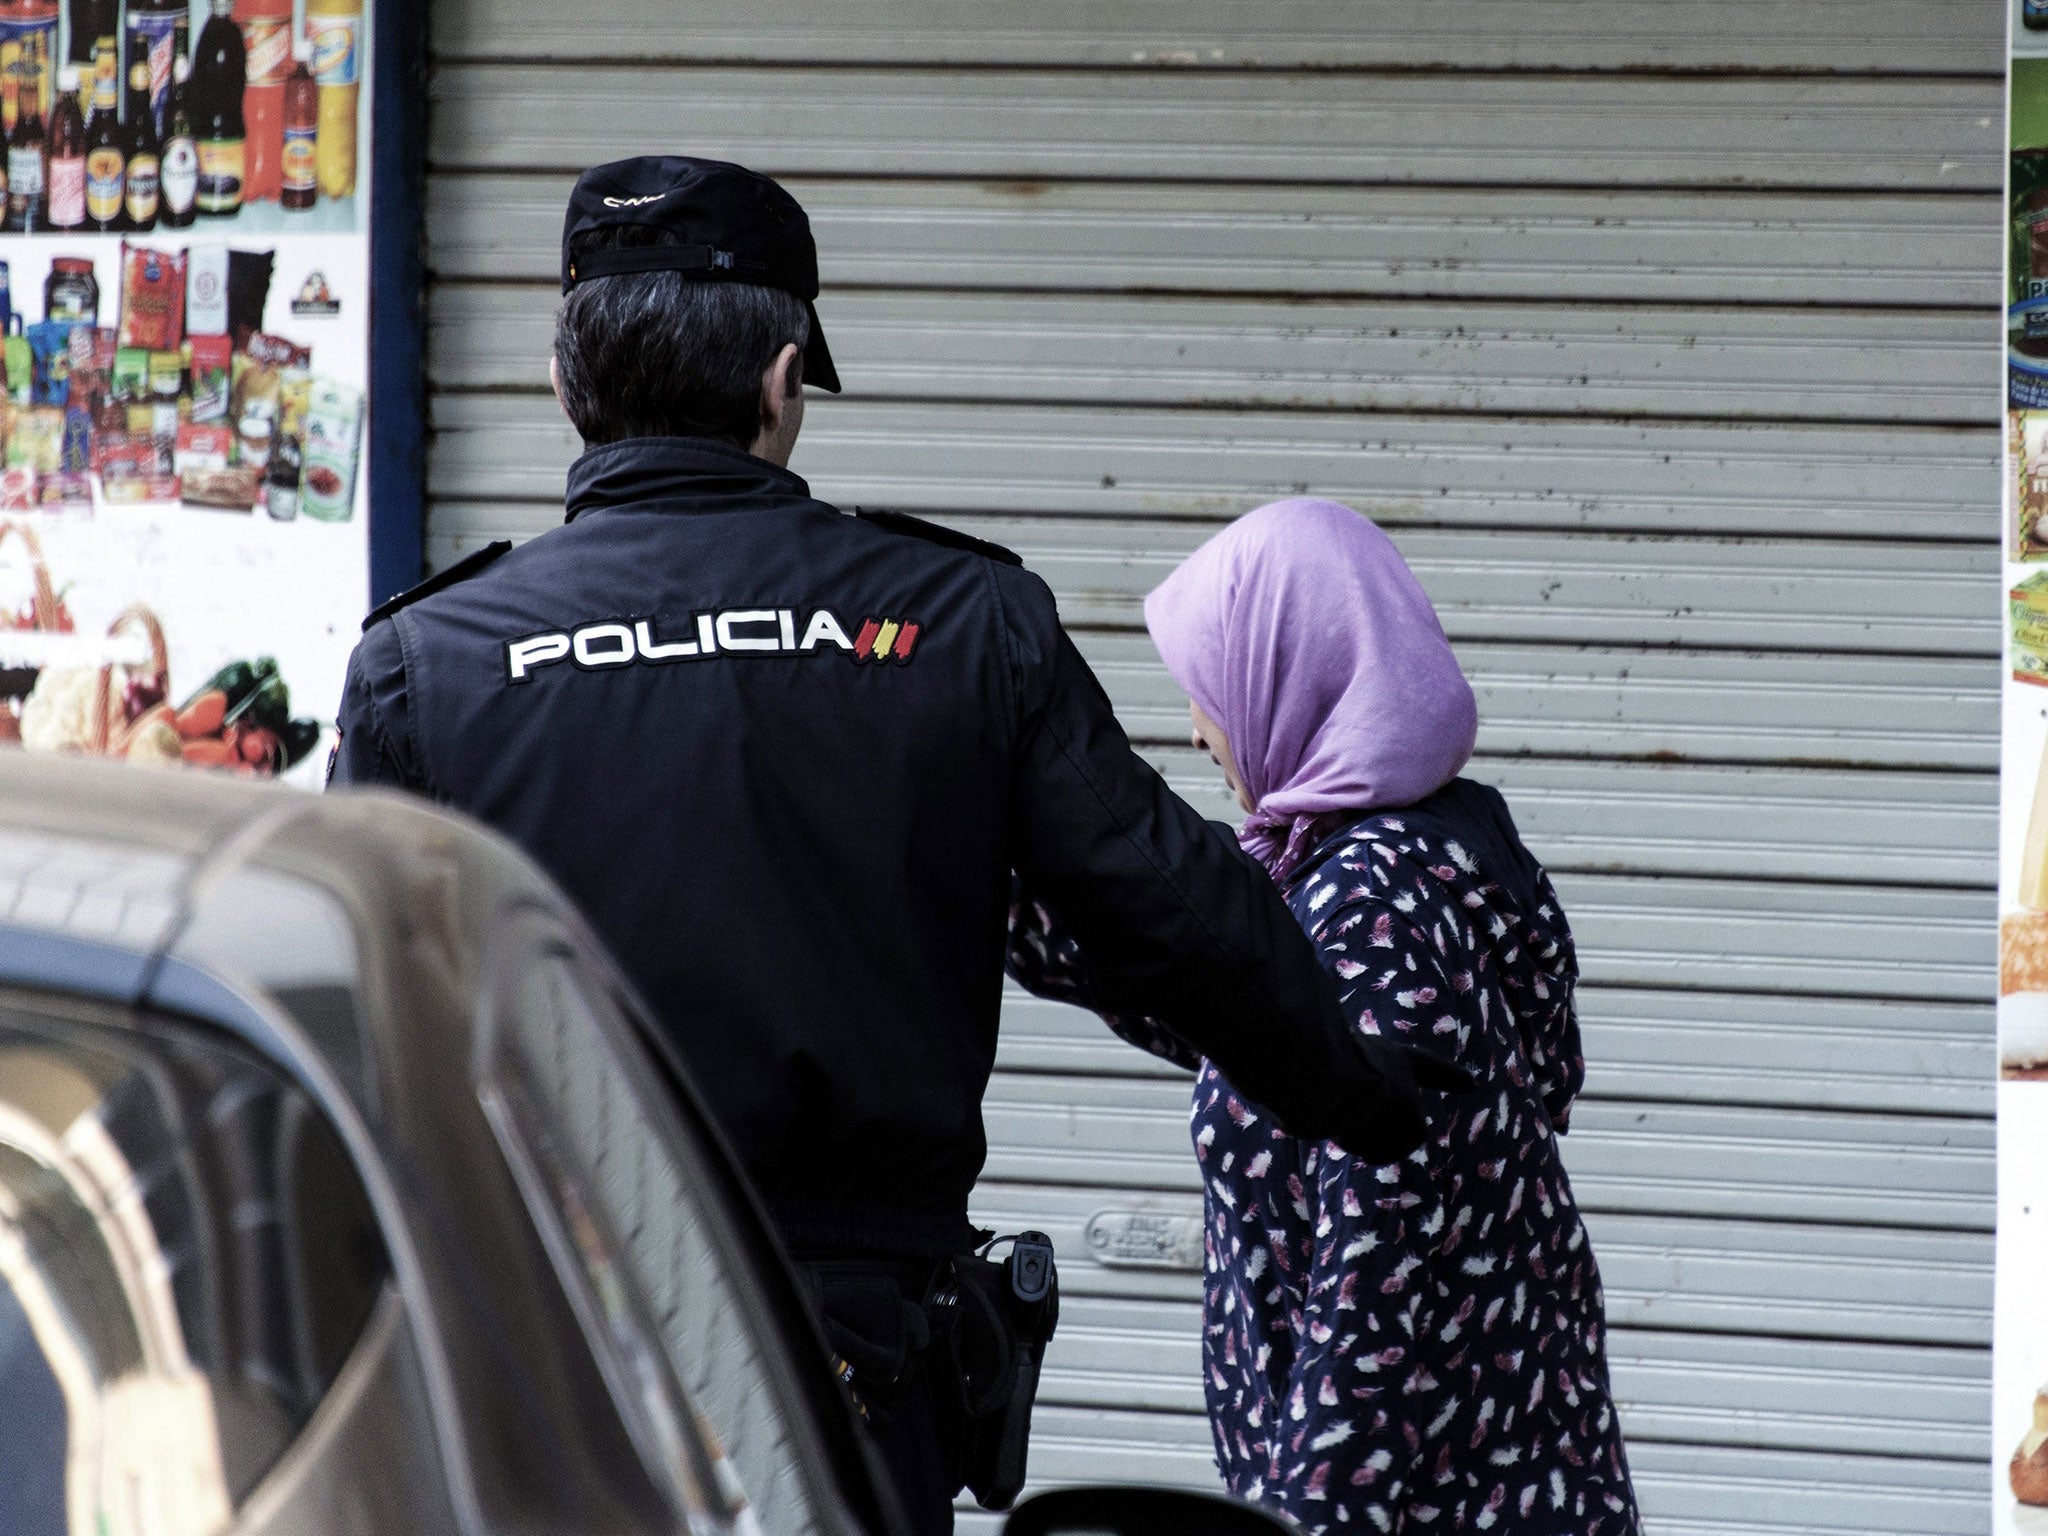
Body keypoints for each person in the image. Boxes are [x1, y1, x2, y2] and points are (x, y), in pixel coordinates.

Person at [329, 158, 1464, 1533]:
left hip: (551, 1351)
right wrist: (1372, 1096)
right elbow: (1171, 906)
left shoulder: (423, 662)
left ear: (567, 384)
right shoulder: (966, 622)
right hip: (859, 1369)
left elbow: (355, 1028)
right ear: (783, 381)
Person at [1014, 499, 1640, 1534]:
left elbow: (1370, 1299)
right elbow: (1233, 1017)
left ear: (1288, 675)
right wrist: (1008, 903)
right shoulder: (1412, 846)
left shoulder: (1369, 903)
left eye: (1208, 691)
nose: (1194, 726)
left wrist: (1301, 1526)